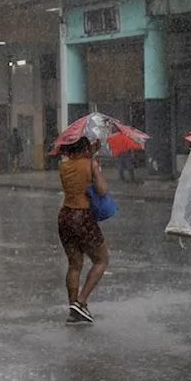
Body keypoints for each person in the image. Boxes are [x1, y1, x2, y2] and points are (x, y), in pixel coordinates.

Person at [56, 136, 111, 324]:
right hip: (82, 217)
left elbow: (79, 174)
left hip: (65, 216)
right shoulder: (90, 164)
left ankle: (74, 310)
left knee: (74, 264)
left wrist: (91, 156)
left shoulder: (63, 166)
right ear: (85, 147)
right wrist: (96, 167)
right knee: (102, 260)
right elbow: (102, 190)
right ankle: (81, 301)